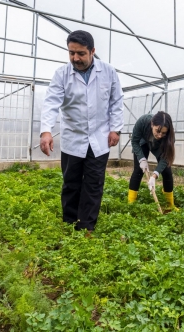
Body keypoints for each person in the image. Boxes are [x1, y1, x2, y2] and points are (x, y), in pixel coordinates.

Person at [40, 30, 123, 233]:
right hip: (73, 138)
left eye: (81, 53)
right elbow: (51, 102)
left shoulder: (108, 72)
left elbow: (116, 101)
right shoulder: (62, 74)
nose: (75, 58)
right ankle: (70, 224)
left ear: (92, 51)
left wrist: (115, 129)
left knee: (94, 185)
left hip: (99, 137)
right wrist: (46, 131)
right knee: (71, 183)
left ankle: (86, 227)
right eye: (71, 53)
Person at [127, 111, 178, 211]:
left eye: (163, 133)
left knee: (167, 171)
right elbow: (135, 141)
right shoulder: (143, 121)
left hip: (158, 146)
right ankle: (131, 203)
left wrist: (155, 175)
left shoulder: (169, 137)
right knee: (138, 171)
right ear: (152, 124)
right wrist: (141, 159)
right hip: (142, 143)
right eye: (157, 131)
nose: (159, 135)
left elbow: (165, 157)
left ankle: (170, 205)